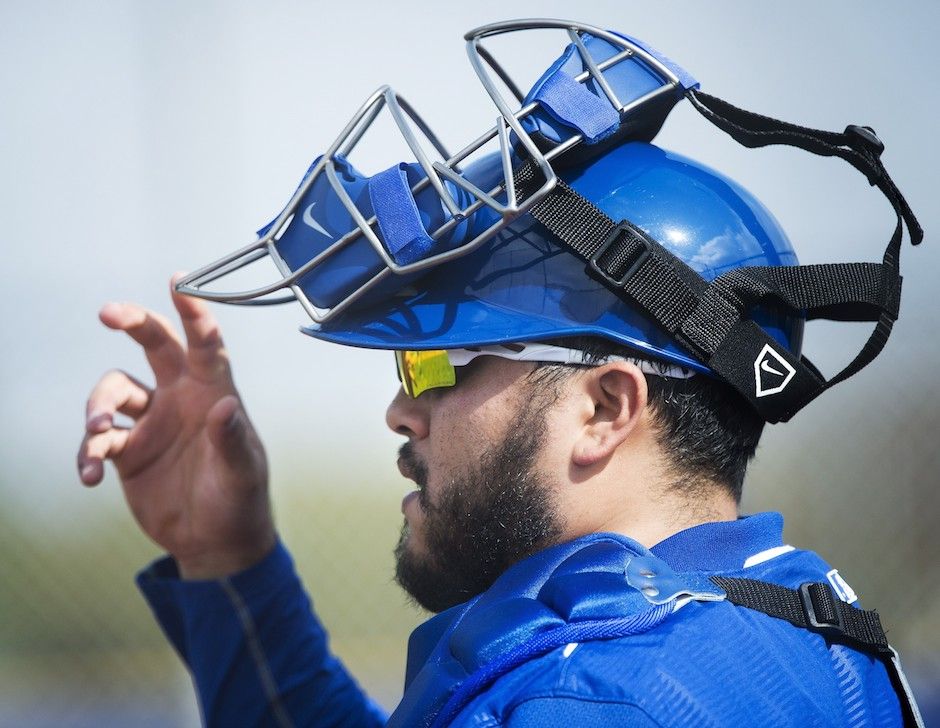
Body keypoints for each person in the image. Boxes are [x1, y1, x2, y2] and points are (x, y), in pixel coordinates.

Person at [77, 19, 925, 727]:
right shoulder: (804, 625)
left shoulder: (590, 700)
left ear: (604, 405)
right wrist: (231, 556)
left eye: (438, 364)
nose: (402, 413)